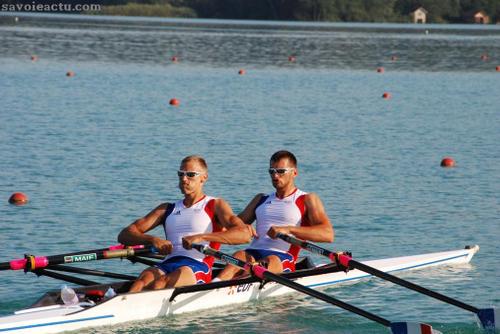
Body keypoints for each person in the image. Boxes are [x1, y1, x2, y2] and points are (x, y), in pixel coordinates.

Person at [118, 155, 252, 292]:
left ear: (204, 178)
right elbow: (125, 234)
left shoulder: (215, 205)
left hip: (198, 265)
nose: (184, 179)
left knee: (160, 283)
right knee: (140, 283)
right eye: (180, 174)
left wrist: (202, 237)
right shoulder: (167, 209)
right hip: (169, 262)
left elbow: (244, 234)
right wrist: (153, 240)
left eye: (190, 175)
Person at [216, 150, 334, 280]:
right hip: (252, 252)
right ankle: (215, 286)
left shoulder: (306, 199)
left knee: (269, 261)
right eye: (271, 171)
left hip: (281, 257)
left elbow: (327, 234)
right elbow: (230, 226)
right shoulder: (261, 199)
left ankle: (239, 283)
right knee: (238, 255)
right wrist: (241, 228)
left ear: (294, 172)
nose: (275, 176)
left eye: (281, 171)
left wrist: (288, 229)